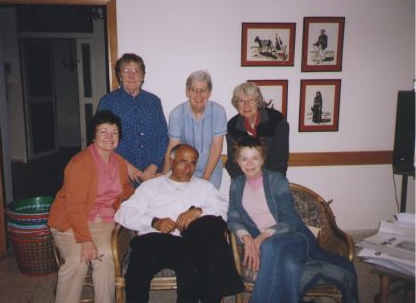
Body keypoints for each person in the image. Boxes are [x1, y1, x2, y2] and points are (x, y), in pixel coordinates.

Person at [227, 138, 358, 303]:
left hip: (294, 238)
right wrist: (246, 238)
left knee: (269, 244)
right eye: (244, 158)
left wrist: (261, 238)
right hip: (272, 248)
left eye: (254, 158)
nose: (249, 163)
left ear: (262, 160)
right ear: (238, 162)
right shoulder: (236, 184)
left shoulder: (277, 181)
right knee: (291, 267)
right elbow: (233, 217)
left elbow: (289, 220)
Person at [115, 144, 245, 303]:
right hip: (152, 239)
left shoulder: (203, 186)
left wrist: (199, 211)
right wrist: (153, 221)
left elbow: (224, 209)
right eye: (183, 161)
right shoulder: (151, 186)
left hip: (187, 242)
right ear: (171, 161)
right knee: (137, 271)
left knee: (195, 261)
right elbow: (123, 213)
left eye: (193, 163)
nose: (188, 168)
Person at [48, 110, 134, 303]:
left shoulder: (119, 162)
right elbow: (75, 206)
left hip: (101, 219)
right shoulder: (80, 163)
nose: (109, 138)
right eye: (103, 132)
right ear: (93, 136)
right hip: (70, 220)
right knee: (78, 260)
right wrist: (85, 240)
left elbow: (126, 188)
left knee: (105, 256)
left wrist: (136, 199)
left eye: (114, 133)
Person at [97, 53, 168, 185]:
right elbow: (101, 138)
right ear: (119, 75)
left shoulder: (154, 102)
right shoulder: (108, 102)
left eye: (136, 71)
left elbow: (163, 136)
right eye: (126, 71)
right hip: (118, 173)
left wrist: (154, 165)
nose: (131, 76)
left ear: (142, 76)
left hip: (152, 175)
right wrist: (124, 165)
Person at [163, 70, 227, 189]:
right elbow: (172, 148)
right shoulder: (176, 114)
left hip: (211, 169)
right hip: (184, 169)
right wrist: (165, 176)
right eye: (194, 90)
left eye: (203, 90)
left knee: (206, 206)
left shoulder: (219, 112)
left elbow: (216, 147)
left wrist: (206, 178)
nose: (198, 95)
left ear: (209, 92)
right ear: (187, 92)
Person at [225, 81, 289, 178]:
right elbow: (233, 161)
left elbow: (279, 159)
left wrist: (267, 183)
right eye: (241, 101)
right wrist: (243, 181)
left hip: (273, 177)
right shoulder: (232, 126)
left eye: (251, 100)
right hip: (243, 178)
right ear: (236, 104)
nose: (246, 105)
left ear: (258, 102)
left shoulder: (276, 120)